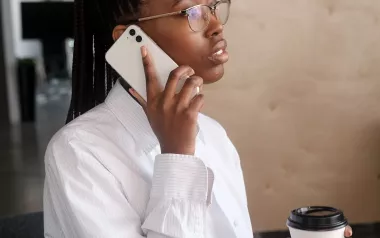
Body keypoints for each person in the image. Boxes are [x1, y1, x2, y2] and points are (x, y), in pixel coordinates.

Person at [43, 0, 354, 237]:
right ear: (129, 39)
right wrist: (177, 158)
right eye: (191, 11)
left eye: (213, 5)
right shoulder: (78, 154)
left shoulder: (213, 135)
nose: (216, 25)